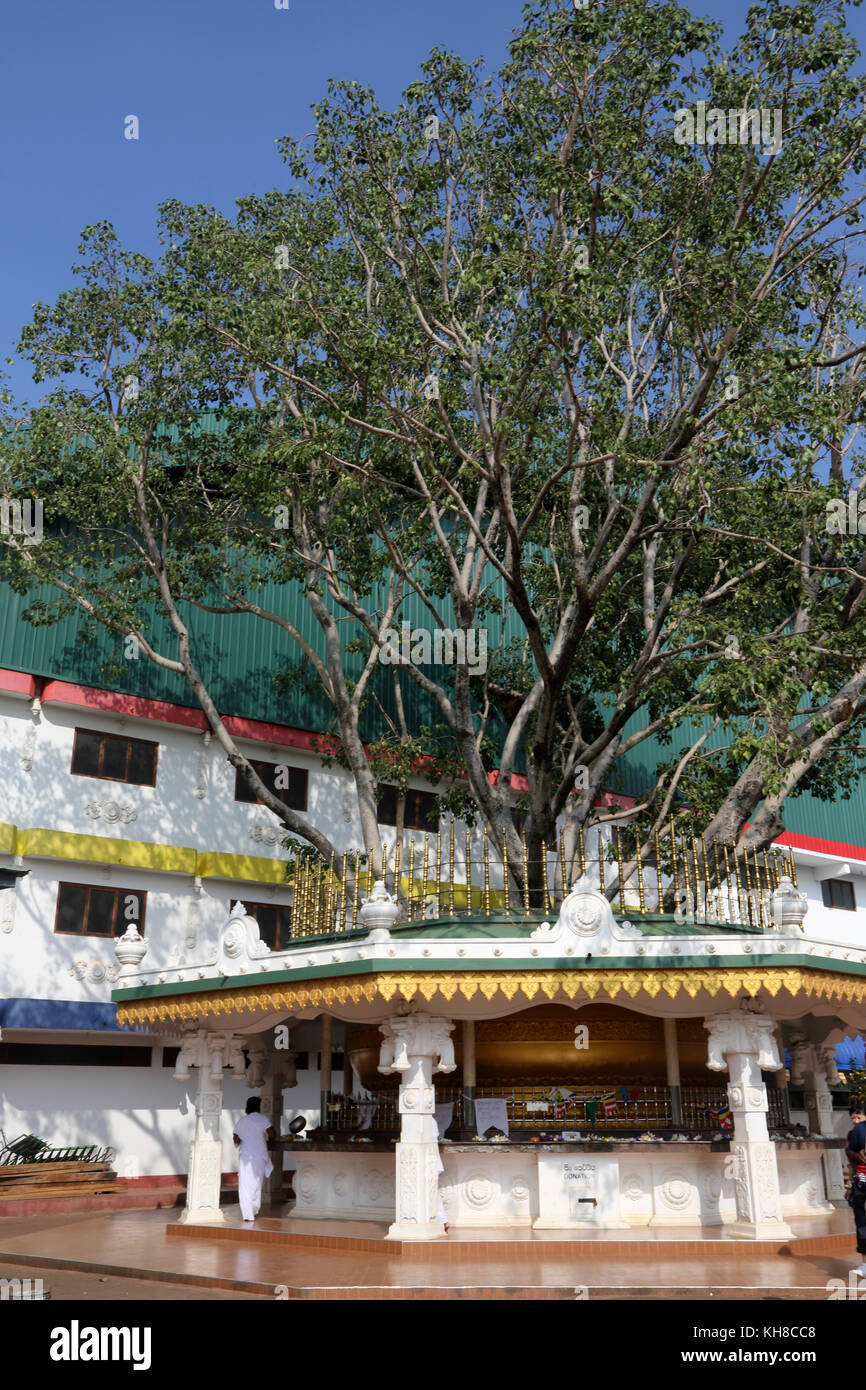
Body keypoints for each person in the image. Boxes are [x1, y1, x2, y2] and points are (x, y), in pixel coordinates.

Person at [233, 1096, 275, 1224]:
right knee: (257, 1183)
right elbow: (272, 1134)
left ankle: (248, 1214)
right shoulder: (263, 1119)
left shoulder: (242, 1121)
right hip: (260, 1155)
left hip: (246, 1156)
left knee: (245, 1184)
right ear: (258, 1106)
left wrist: (243, 1138)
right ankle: (254, 1209)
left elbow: (236, 1139)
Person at [844, 1103, 866, 1276]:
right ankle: (865, 1264)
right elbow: (850, 1154)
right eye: (853, 1117)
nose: (855, 1121)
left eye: (858, 1117)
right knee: (862, 1223)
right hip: (861, 1181)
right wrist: (857, 1155)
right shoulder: (858, 1131)